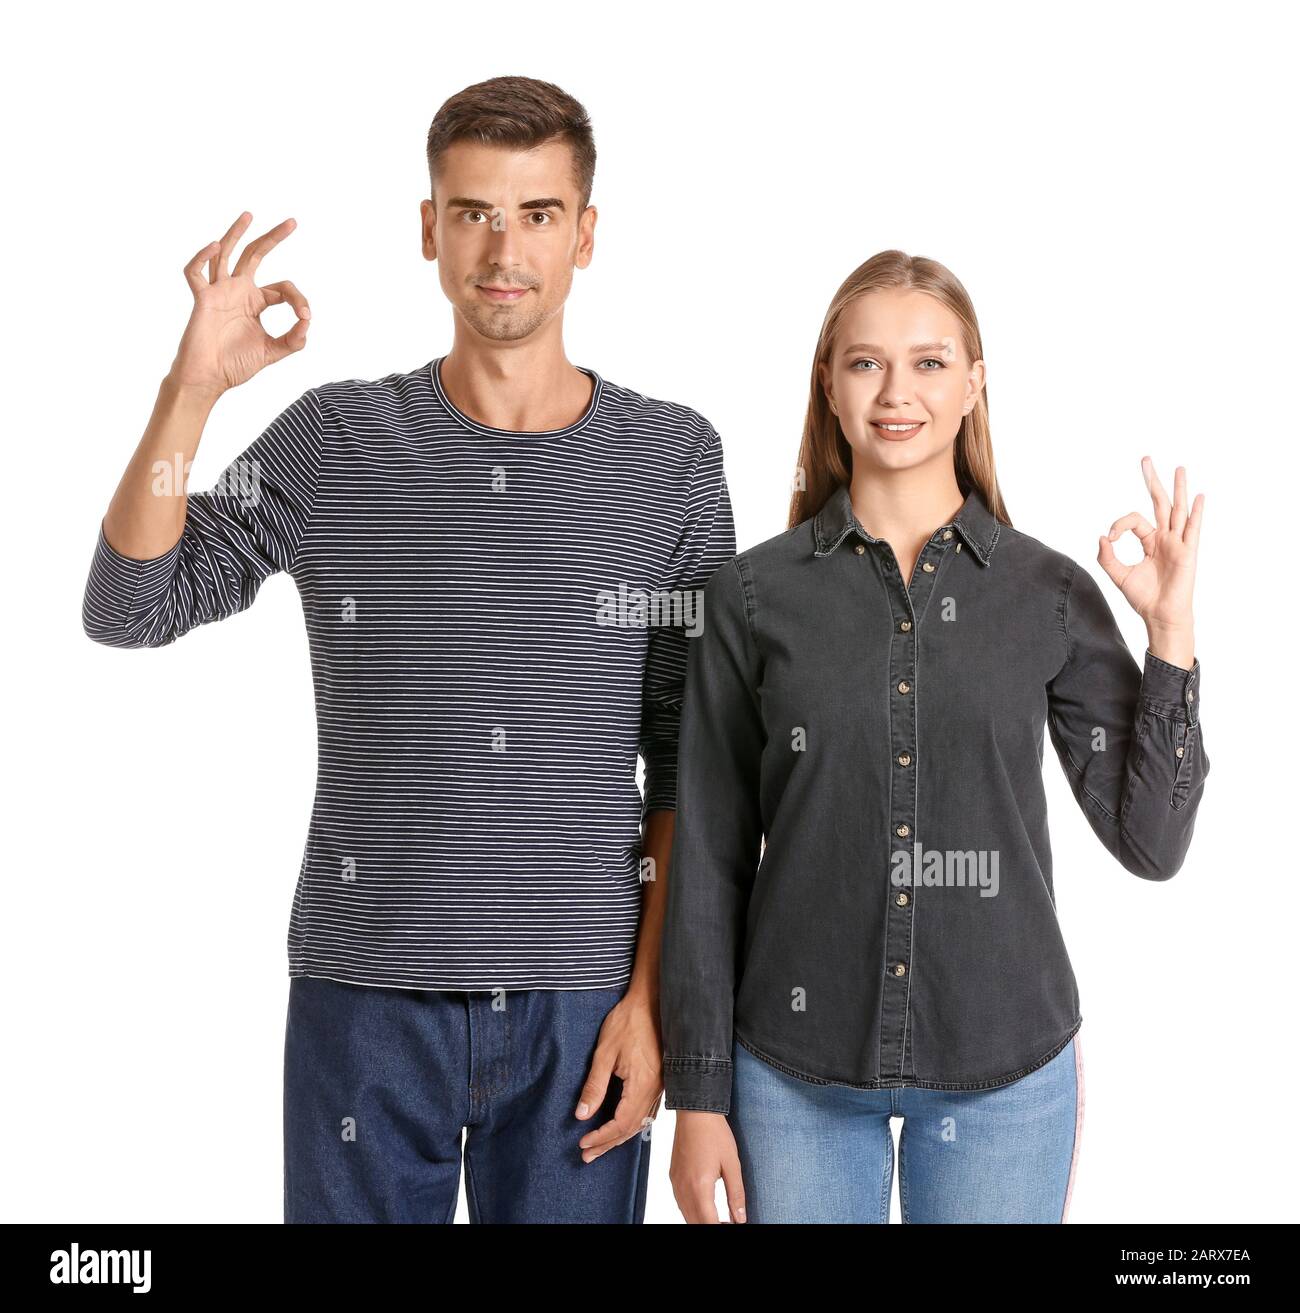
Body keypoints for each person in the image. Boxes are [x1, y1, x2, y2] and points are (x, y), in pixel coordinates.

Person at [81, 75, 735, 1224]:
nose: (504, 247)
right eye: (473, 210)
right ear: (427, 228)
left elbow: (690, 765)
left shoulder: (669, 459)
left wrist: (653, 1001)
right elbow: (130, 602)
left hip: (581, 1002)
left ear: (585, 235)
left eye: (537, 213)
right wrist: (190, 391)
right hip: (363, 995)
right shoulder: (335, 440)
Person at [659, 249, 1208, 1224]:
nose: (895, 391)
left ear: (973, 383)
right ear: (828, 383)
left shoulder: (1045, 594)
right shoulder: (749, 597)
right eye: (865, 363)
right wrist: (699, 1094)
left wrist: (1168, 635)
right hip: (794, 1072)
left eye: (928, 362)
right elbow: (705, 860)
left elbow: (1152, 844)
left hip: (1003, 1064)